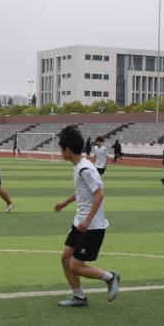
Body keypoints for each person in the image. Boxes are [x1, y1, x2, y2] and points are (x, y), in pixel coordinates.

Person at [52, 125, 119, 307]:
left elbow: (99, 195)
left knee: (75, 265)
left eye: (61, 149)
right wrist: (65, 203)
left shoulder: (85, 169)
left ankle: (110, 277)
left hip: (91, 227)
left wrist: (88, 220)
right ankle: (79, 297)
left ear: (67, 150)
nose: (60, 152)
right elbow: (83, 192)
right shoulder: (79, 166)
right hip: (79, 223)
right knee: (65, 258)